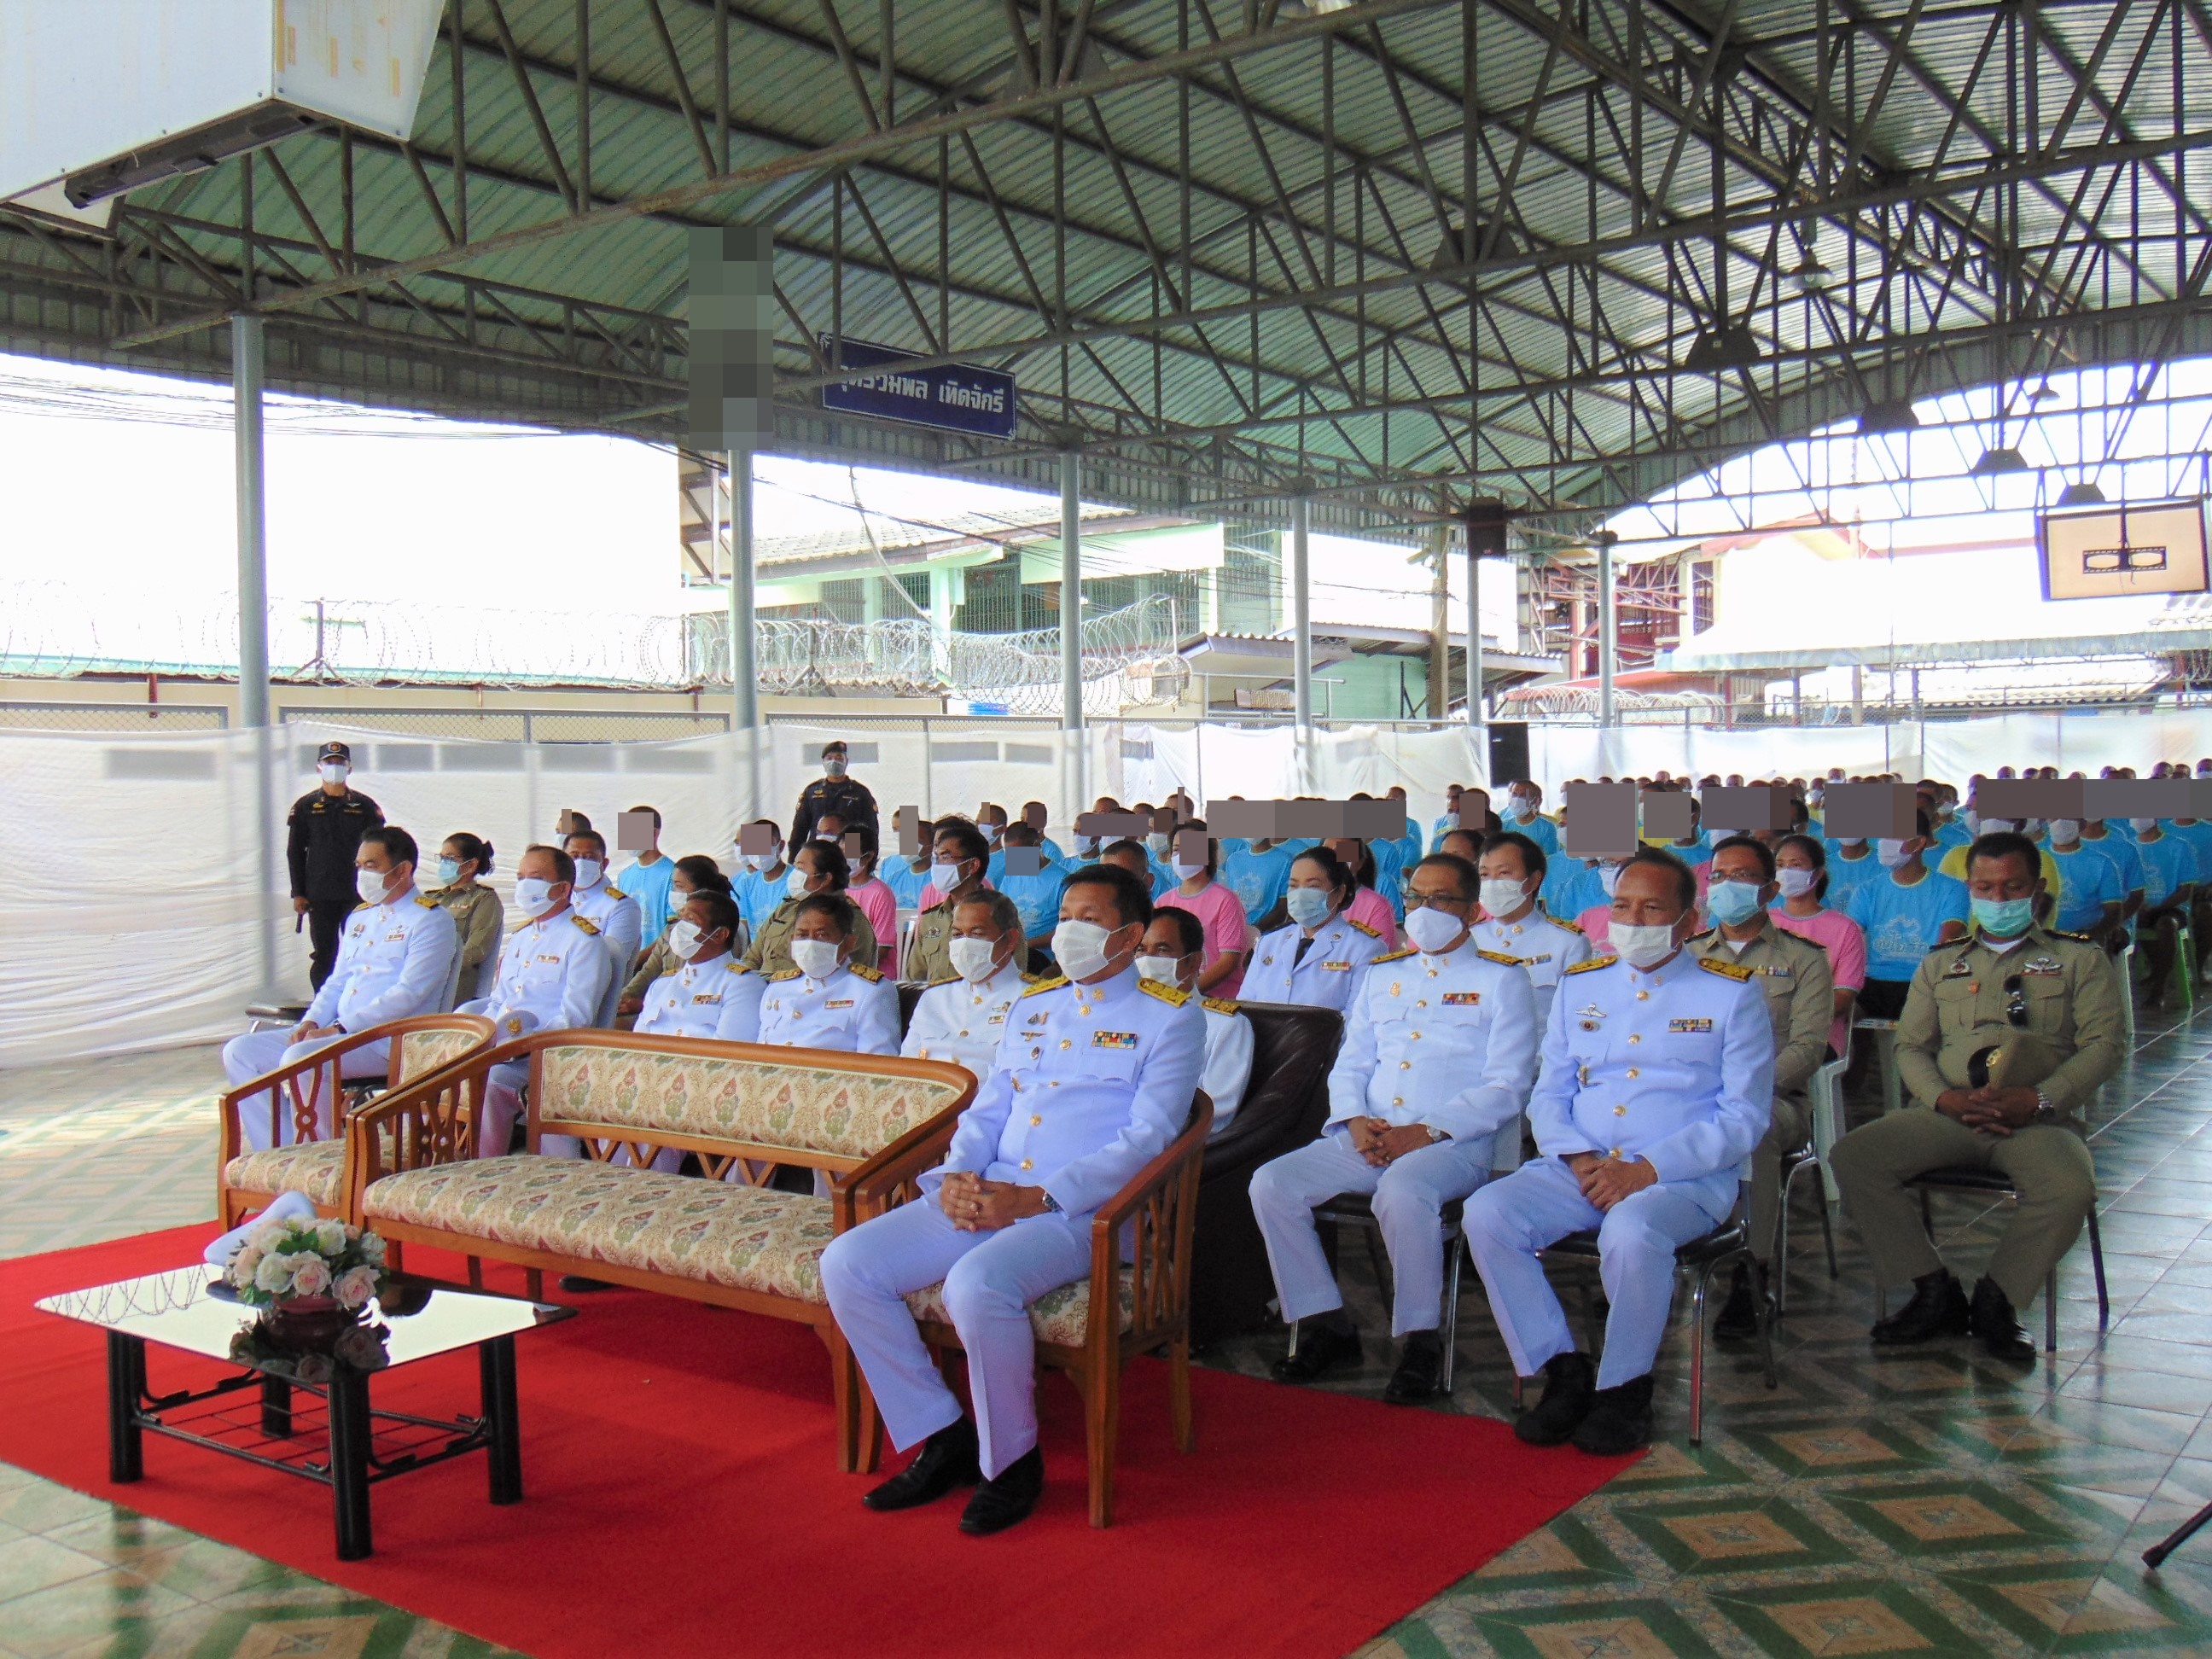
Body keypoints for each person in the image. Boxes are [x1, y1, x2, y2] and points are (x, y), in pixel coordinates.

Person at [819, 863, 1204, 1534]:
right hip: (993, 1189)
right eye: (1069, 915)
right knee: (848, 1264)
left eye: (1092, 919)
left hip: (1090, 1211)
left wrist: (1036, 1198)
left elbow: (1149, 1140)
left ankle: (1013, 1463)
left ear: (1131, 934)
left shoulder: (1170, 1017)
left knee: (977, 1284)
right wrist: (961, 1178)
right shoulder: (1033, 1005)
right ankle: (943, 1435)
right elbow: (987, 1108)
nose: (1072, 931)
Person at [1462, 850, 1775, 1455]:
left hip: (1683, 1179)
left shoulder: (1730, 995)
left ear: (1689, 920)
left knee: (1631, 1233)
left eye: (1652, 908)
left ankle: (1626, 1389)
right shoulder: (1583, 985)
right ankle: (1563, 1368)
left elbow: (1744, 1117)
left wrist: (1648, 1170)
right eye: (1623, 906)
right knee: (1488, 1213)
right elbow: (1549, 1090)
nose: (1632, 920)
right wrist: (1577, 1158)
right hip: (1583, 1167)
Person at [1249, 853, 1539, 1403]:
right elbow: (1351, 1062)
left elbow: (1508, 1084)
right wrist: (1354, 1120)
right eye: (1415, 899)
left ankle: (1419, 1340)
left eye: (1440, 900)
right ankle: (1324, 1322)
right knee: (1272, 1183)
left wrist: (1425, 1132)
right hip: (1369, 1135)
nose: (1424, 910)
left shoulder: (1502, 980)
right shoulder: (1384, 975)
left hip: (1455, 1145)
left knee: (1403, 1192)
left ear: (1472, 910)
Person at [1828, 832, 2124, 1363]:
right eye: (1986, 887)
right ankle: (1931, 1291)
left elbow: (2105, 1046)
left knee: (2068, 1187)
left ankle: (1999, 1301)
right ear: (1969, 889)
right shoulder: (1940, 962)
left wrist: (2038, 1099)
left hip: (2038, 1120)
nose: (1999, 898)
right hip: (1950, 1114)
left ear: (2035, 889)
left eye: (2012, 887)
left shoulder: (2079, 960)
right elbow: (1912, 1046)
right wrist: (1943, 1100)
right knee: (1856, 1155)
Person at [222, 826, 457, 1150]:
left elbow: (410, 992)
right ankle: (280, 1151)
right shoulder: (360, 919)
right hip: (338, 1035)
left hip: (388, 1040)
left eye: (371, 866)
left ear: (403, 870)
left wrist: (340, 1028)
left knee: (302, 1056)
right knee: (241, 1052)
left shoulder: (430, 919)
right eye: (359, 866)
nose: (362, 874)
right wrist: (312, 1021)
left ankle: (321, 1156)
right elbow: (338, 980)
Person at [1691, 836, 1835, 1339]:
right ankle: (1646, 1259)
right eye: (1719, 876)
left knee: (1757, 1132)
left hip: (1774, 1100)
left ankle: (1752, 1274)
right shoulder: (1685, 956)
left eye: (1743, 877)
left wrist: (1743, 1091)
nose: (1727, 886)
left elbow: (1809, 1047)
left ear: (1771, 889)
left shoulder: (1804, 959)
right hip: (1693, 1098)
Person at [460, 845, 615, 1156]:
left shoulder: (584, 942)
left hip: (545, 1054)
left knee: (493, 1081)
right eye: (520, 877)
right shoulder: (521, 937)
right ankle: (454, 1159)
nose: (523, 885)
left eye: (535, 877)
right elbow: (499, 1002)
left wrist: (517, 1044)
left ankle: (485, 1165)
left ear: (562, 888)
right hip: (501, 1049)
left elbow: (576, 1017)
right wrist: (483, 1037)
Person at [1138, 906, 1254, 1137]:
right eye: (1140, 951)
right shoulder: (1123, 1017)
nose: (1147, 961)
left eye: (1162, 950)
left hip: (1168, 1148)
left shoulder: (1226, 1026)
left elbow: (1216, 1113)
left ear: (1193, 962)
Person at [1842, 812, 1969, 1019]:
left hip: (1925, 981)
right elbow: (1849, 939)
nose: (1884, 844)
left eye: (1894, 837)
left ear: (1919, 843)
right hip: (1872, 981)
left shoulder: (1951, 889)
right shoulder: (1867, 891)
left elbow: (1949, 939)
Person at [902, 892, 1033, 1082]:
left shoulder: (1032, 999)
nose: (965, 943)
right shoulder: (935, 997)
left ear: (1011, 940)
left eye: (977, 934)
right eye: (957, 934)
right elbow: (906, 1068)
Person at [286, 740, 385, 989]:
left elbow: (381, 849)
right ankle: (322, 1006)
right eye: (329, 762)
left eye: (340, 763)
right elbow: (295, 851)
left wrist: (379, 890)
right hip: (320, 894)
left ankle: (357, 1004)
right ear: (319, 767)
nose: (335, 767)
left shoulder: (365, 806)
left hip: (358, 893)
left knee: (360, 951)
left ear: (349, 768)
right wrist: (298, 893)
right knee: (324, 955)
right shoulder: (305, 806)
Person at [1240, 846, 1388, 1011]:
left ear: (1339, 893)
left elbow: (1358, 1020)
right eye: (1294, 886)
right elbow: (1245, 1006)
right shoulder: (1268, 943)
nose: (1300, 894)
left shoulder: (1364, 949)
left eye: (1313, 886)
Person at [755, 894, 899, 1055]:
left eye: (821, 935)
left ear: (848, 943)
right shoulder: (777, 988)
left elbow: (877, 1067)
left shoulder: (870, 992)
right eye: (802, 935)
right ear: (792, 940)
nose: (810, 942)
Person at [1476, 831, 1592, 1026]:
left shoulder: (1568, 943)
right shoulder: (1468, 938)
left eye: (1504, 873)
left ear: (1533, 880)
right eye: (1484, 875)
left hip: (1537, 1054)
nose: (1492, 883)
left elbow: (1575, 1017)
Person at [1767, 833, 1866, 1058]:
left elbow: (1842, 997)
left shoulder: (1845, 929)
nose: (1786, 872)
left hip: (1817, 1036)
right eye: (1780, 865)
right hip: (1761, 1030)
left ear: (1818, 873)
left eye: (1796, 865)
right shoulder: (1762, 921)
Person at [632, 888, 760, 1043]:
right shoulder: (661, 985)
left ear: (719, 935)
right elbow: (638, 1045)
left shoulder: (743, 984)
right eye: (681, 918)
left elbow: (727, 1053)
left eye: (691, 920)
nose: (679, 927)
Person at [742, 837, 878, 980]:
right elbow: (752, 958)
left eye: (800, 868)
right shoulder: (786, 909)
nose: (794, 874)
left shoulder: (850, 920)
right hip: (762, 991)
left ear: (825, 878)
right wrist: (747, 984)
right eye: (795, 868)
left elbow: (843, 978)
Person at [618, 856, 732, 1017]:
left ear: (701, 890)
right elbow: (648, 972)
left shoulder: (716, 933)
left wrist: (643, 1004)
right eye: (672, 885)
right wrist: (624, 997)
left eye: (678, 886)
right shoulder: (671, 931)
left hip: (696, 1011)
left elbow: (703, 988)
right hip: (659, 1005)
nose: (673, 892)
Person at [909, 821, 1018, 981]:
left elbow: (1016, 973)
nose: (938, 865)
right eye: (936, 857)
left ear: (972, 865)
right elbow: (915, 978)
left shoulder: (1001, 915)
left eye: (946, 856)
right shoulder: (931, 919)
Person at [1156, 819, 1250, 996]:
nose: (1182, 855)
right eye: (1176, 849)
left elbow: (1229, 961)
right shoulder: (1162, 903)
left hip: (1219, 999)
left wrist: (1187, 993)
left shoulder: (1226, 900)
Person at [422, 833, 504, 1004]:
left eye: (450, 859)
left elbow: (477, 949)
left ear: (471, 865)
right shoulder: (430, 898)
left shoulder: (483, 898)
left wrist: (439, 964)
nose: (444, 864)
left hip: (455, 981)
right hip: (421, 974)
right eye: (442, 858)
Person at [564, 828, 643, 970]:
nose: (581, 863)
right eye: (574, 856)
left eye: (590, 857)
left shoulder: (622, 906)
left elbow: (610, 962)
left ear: (604, 864)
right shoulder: (558, 900)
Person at [2043, 817, 2128, 948]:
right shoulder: (2036, 859)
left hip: (2086, 941)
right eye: (2054, 817)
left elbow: (2113, 913)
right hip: (2042, 939)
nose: (2060, 821)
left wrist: (2087, 936)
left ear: (2082, 824)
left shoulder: (2102, 864)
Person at [789, 740, 879, 857]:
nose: (834, 762)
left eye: (839, 758)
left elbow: (871, 830)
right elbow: (799, 829)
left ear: (847, 762)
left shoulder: (860, 792)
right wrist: (794, 859)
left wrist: (869, 861)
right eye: (829, 758)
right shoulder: (812, 791)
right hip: (817, 850)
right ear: (823, 762)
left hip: (850, 850)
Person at [992, 821, 1067, 958]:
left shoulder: (1061, 879)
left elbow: (1067, 929)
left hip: (1044, 958)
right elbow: (1000, 911)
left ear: (1036, 846)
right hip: (1014, 953)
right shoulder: (1012, 875)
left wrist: (1026, 944)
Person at [615, 806, 679, 943]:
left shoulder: (673, 874)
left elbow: (674, 927)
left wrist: (643, 958)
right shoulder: (624, 876)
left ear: (654, 834)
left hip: (658, 960)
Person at [1327, 837, 1399, 946]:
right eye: (1326, 854)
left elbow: (1380, 955)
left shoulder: (1377, 906)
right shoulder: (1309, 899)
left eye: (1342, 853)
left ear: (1359, 863)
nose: (1333, 861)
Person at [1220, 833, 1295, 932]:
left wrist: (1253, 931)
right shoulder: (1233, 860)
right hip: (1234, 933)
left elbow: (1282, 909)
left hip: (1265, 935)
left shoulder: (1285, 861)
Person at [844, 837, 899, 970]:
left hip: (872, 973)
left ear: (868, 857)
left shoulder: (881, 893)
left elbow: (883, 947)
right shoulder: (838, 889)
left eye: (849, 854)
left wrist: (850, 970)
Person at [734, 822, 794, 937]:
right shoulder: (747, 883)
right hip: (755, 953)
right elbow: (744, 927)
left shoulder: (796, 881)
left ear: (780, 846)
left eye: (764, 844)